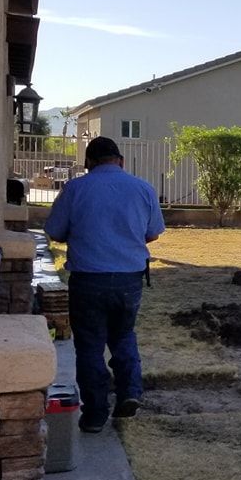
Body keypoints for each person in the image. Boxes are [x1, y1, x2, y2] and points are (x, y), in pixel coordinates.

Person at [45, 137, 165, 432]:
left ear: (89, 163)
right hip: (129, 279)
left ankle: (96, 414)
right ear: (120, 160)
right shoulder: (143, 188)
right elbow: (153, 234)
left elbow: (55, 231)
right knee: (123, 336)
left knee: (89, 346)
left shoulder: (75, 188)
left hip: (88, 280)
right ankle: (129, 394)